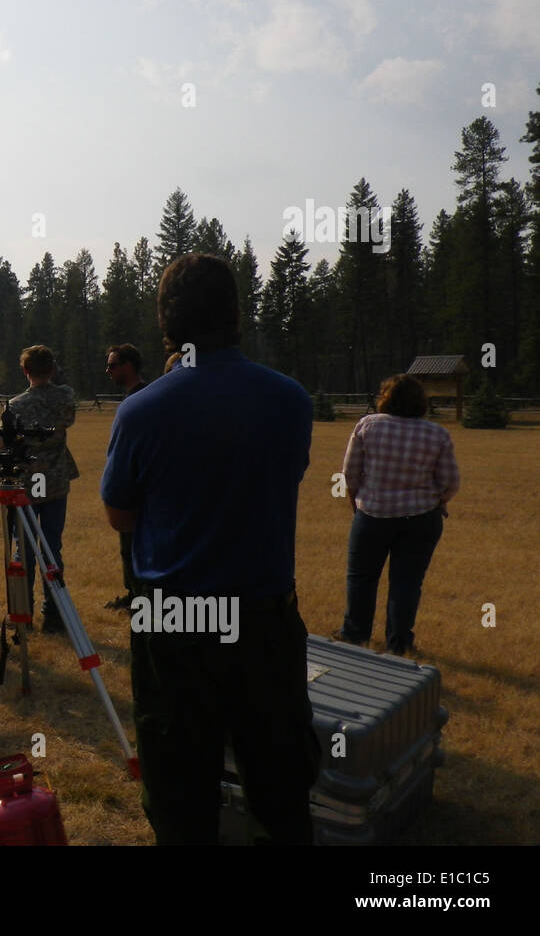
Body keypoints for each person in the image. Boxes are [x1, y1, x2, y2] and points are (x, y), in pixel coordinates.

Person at [101, 253, 319, 845]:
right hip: (264, 617)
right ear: (235, 314)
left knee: (179, 792)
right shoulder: (291, 399)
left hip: (172, 620)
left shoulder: (141, 411)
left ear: (167, 321)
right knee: (280, 786)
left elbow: (120, 515)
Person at [335, 373, 459, 657]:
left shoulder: (367, 425)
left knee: (361, 578)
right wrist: (437, 500)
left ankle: (355, 637)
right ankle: (399, 643)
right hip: (421, 518)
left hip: (373, 515)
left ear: (385, 398)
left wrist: (355, 500)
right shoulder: (437, 433)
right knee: (407, 582)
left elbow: (350, 473)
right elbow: (451, 481)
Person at [6, 345, 78, 633]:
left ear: (25, 371)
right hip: (56, 481)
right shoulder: (65, 398)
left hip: (26, 484)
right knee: (52, 548)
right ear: (51, 370)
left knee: (24, 551)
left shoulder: (16, 405)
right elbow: (68, 419)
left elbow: (10, 445)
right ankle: (55, 614)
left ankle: (23, 615)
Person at [105, 344, 148, 612]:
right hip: (133, 483)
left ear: (128, 365)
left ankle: (142, 597)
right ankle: (134, 594)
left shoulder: (142, 398)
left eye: (112, 365)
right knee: (128, 545)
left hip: (142, 486)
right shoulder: (137, 396)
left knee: (137, 545)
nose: (108, 370)